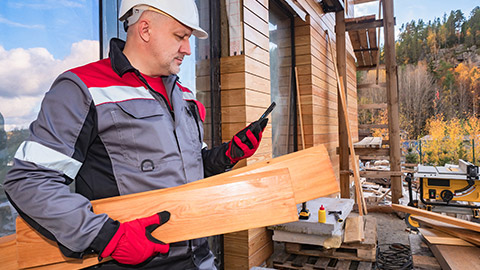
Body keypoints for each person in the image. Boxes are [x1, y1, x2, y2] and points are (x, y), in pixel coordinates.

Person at [3, 0, 268, 269]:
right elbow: (29, 180)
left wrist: (227, 155)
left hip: (200, 259)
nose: (187, 49)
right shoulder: (82, 88)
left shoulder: (182, 94)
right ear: (145, 29)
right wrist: (108, 237)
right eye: (180, 36)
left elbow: (190, 165)